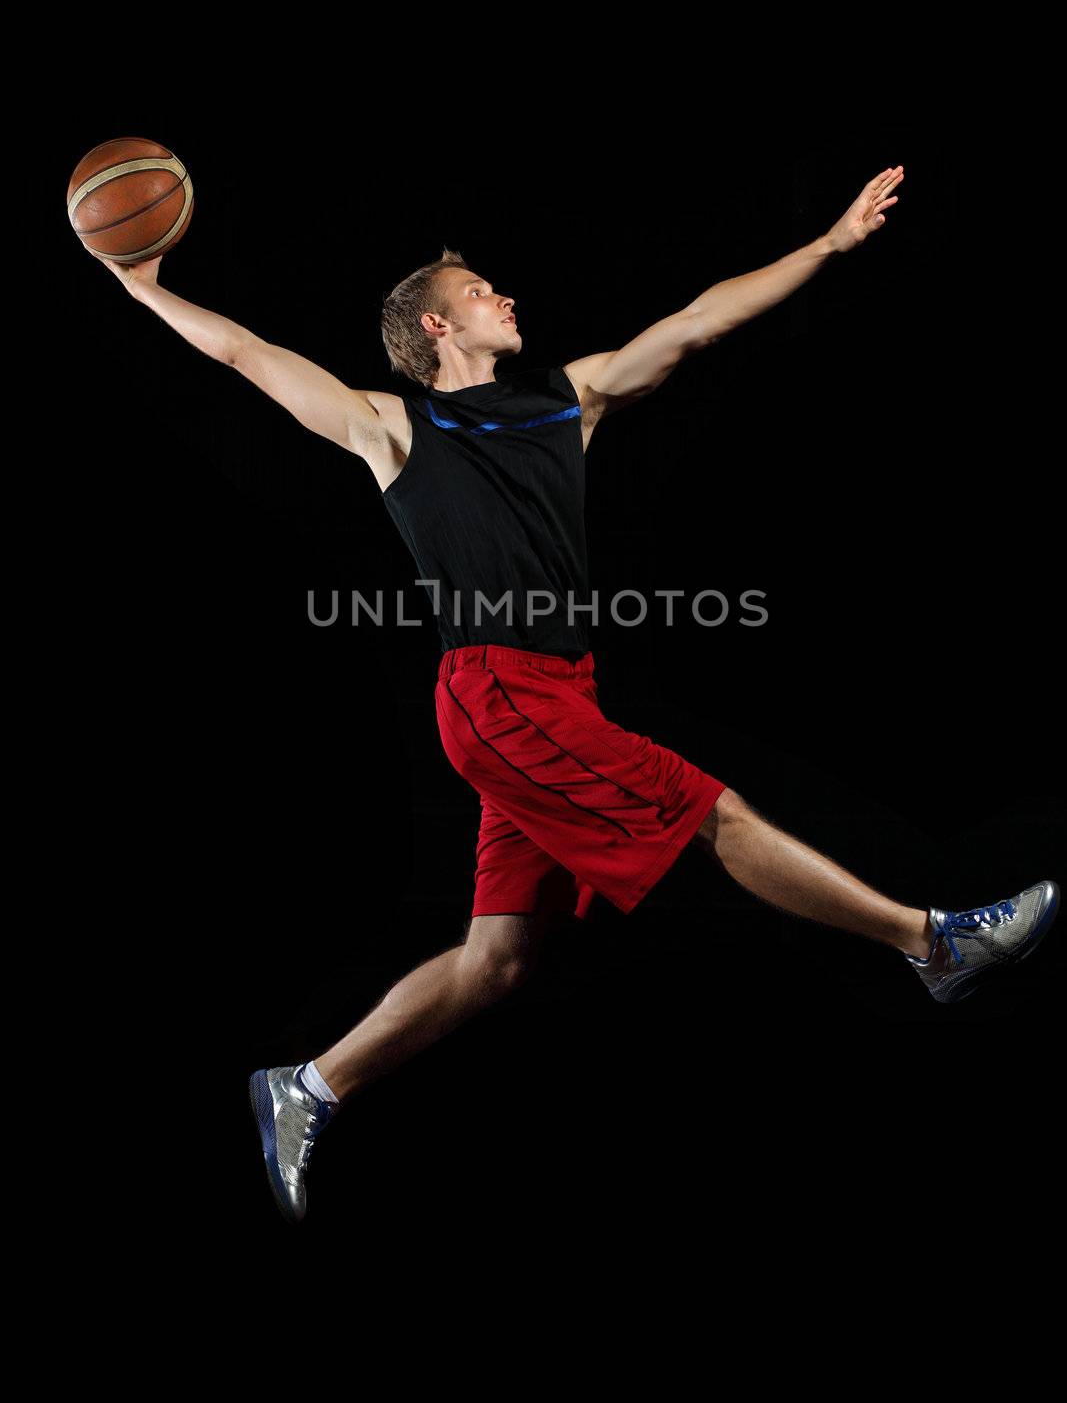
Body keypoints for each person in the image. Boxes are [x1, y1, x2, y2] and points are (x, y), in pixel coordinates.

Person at [83, 164, 1059, 1225]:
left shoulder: (566, 400)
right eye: (480, 291)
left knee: (498, 958)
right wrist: (142, 287)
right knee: (711, 811)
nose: (504, 299)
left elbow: (692, 323)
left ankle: (306, 1084)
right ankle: (931, 942)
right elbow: (247, 354)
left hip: (557, 696)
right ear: (433, 323)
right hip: (496, 694)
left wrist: (825, 245)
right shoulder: (392, 428)